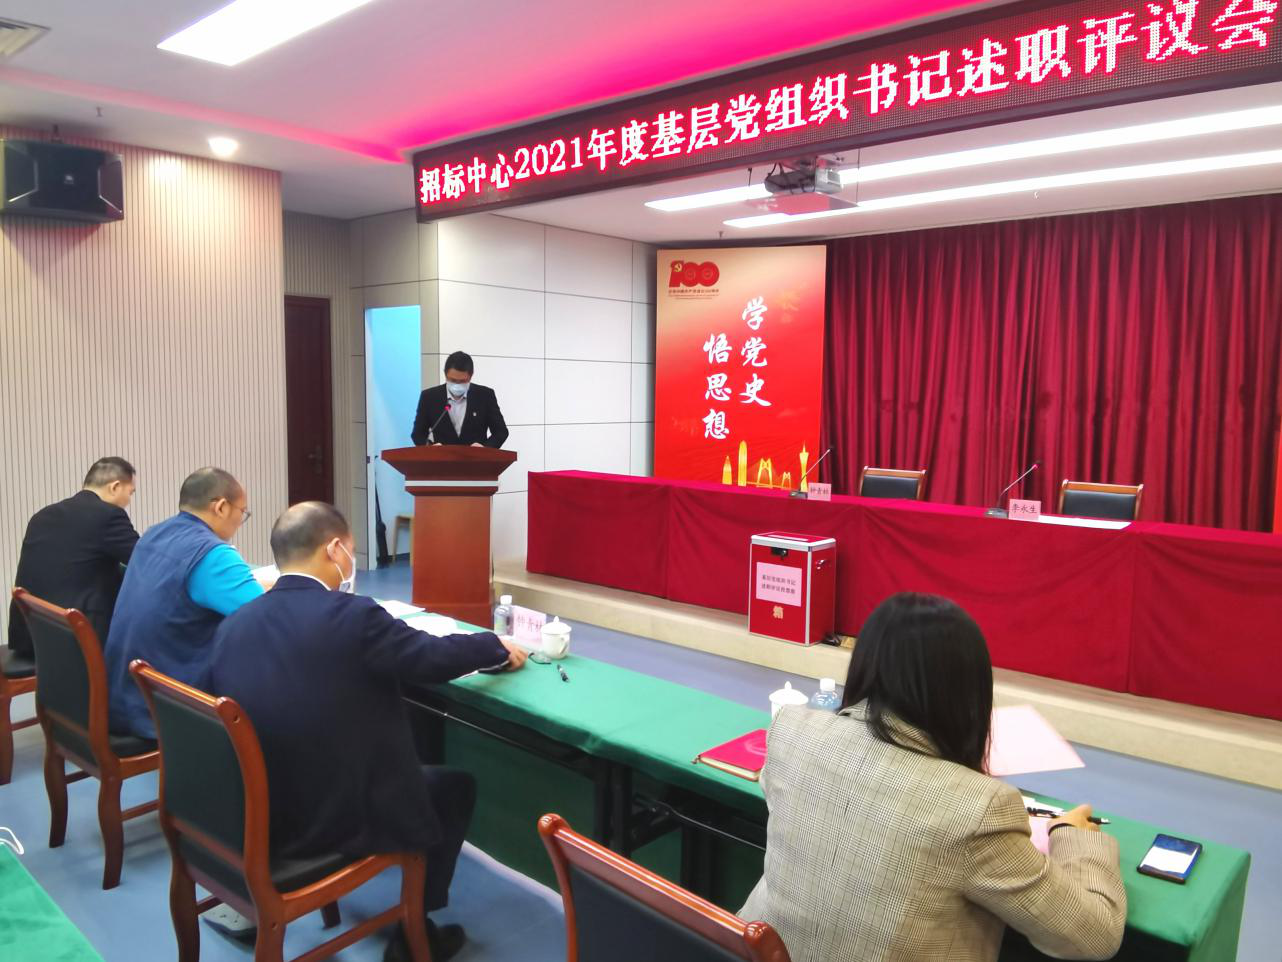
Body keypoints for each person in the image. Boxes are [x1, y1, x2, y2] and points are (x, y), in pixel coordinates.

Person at [205, 502, 526, 962]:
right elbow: (430, 657)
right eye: (350, 550)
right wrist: (492, 644)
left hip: (257, 809)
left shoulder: (234, 625)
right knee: (453, 787)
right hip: (327, 817)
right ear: (333, 548)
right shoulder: (353, 616)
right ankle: (415, 932)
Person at [740, 592, 1126, 962]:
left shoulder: (791, 731)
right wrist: (1073, 835)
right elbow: (1094, 935)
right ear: (969, 695)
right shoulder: (980, 808)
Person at [105, 467, 262, 739]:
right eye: (242, 512)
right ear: (221, 507)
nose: (240, 521)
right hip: (165, 708)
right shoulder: (212, 554)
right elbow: (267, 617)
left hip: (122, 694)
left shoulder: (154, 534)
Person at [7, 458, 140, 668]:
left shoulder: (43, 515)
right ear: (115, 486)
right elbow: (142, 560)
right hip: (73, 639)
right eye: (130, 493)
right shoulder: (108, 515)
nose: (129, 500)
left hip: (29, 634)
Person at [411, 350, 509, 448]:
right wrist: (430, 448)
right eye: (452, 380)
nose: (457, 385)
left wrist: (485, 449)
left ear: (471, 376)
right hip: (442, 456)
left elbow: (501, 432)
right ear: (445, 374)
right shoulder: (429, 397)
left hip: (476, 457)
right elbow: (418, 434)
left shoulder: (485, 395)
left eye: (462, 381)